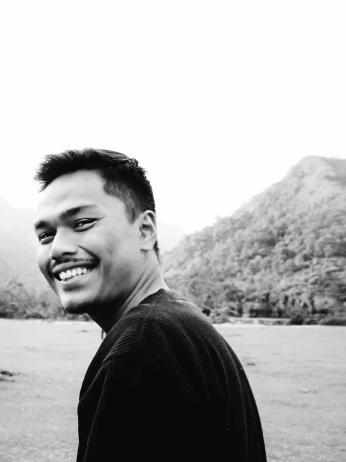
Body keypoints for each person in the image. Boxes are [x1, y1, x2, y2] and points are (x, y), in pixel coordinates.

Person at [33, 149, 267, 462]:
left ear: (145, 230)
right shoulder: (178, 320)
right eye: (46, 235)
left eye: (83, 222)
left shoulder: (143, 343)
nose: (57, 249)